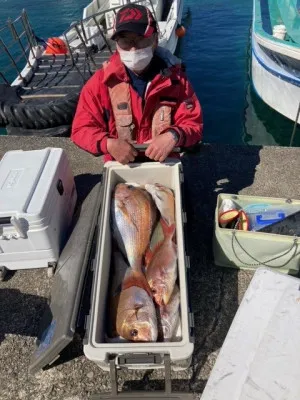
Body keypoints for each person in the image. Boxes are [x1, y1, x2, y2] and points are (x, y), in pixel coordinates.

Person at [71, 4, 203, 164]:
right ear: (116, 44)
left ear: (155, 39)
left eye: (141, 39)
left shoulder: (177, 80)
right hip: (121, 167)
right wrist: (109, 144)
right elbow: (81, 129)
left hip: (164, 165)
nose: (133, 48)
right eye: (125, 41)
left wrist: (173, 135)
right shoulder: (100, 83)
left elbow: (193, 123)